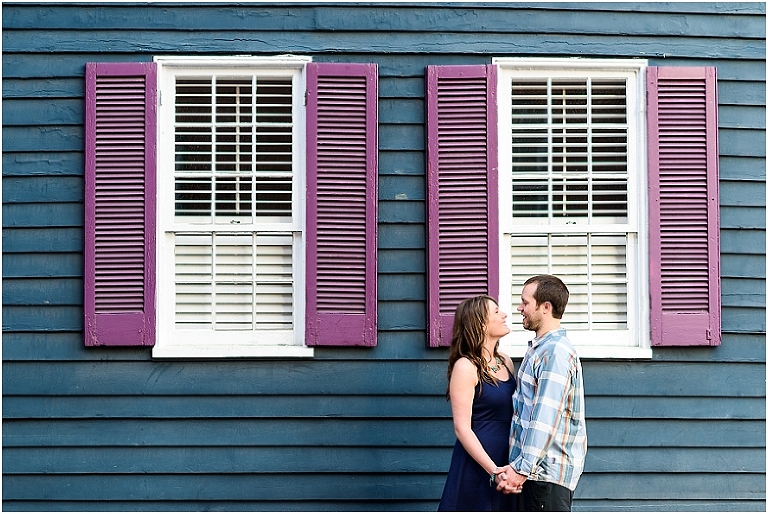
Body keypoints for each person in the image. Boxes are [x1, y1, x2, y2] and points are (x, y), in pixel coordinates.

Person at [496, 275, 587, 511]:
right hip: (536, 475)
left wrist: (522, 469)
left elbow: (545, 418)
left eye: (525, 302)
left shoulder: (554, 352)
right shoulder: (541, 349)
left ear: (545, 307)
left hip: (544, 476)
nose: (519, 308)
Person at [438, 295, 518, 511]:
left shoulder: (506, 361)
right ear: (481, 324)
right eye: (496, 312)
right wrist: (493, 471)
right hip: (480, 463)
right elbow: (462, 428)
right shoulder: (466, 367)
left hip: (508, 459)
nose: (504, 315)